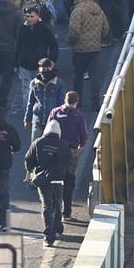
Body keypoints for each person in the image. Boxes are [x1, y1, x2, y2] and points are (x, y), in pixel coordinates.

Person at [26, 119, 74, 246]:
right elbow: (69, 161)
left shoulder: (38, 142)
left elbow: (28, 159)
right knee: (58, 203)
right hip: (58, 179)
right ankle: (58, 228)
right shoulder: (63, 145)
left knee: (47, 205)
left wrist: (31, 170)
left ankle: (48, 236)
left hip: (42, 180)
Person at [45, 90, 88, 220]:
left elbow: (48, 128)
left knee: (53, 177)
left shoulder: (55, 112)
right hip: (71, 150)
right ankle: (67, 212)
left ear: (65, 99)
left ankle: (52, 208)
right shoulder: (78, 115)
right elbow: (84, 135)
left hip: (55, 148)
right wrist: (81, 145)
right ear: (77, 102)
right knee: (69, 180)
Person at [65, 0, 109, 105]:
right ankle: (95, 103)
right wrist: (97, 39)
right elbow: (106, 28)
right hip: (95, 48)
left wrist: (71, 41)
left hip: (80, 49)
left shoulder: (77, 10)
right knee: (94, 76)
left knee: (78, 77)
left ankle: (77, 102)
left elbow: (74, 30)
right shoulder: (98, 8)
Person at [23, 57, 64, 143]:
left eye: (46, 68)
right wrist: (27, 119)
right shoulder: (34, 83)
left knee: (51, 145)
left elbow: (61, 104)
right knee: (35, 144)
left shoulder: (58, 83)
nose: (44, 72)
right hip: (37, 119)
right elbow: (30, 102)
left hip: (52, 120)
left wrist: (60, 120)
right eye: (42, 69)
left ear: (51, 68)